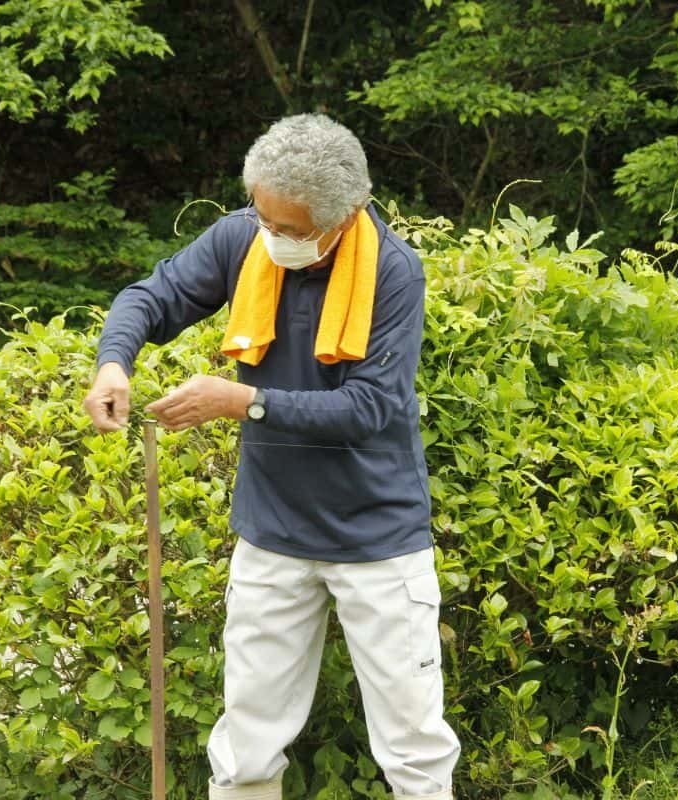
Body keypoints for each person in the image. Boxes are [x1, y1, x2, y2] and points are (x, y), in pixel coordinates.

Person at [82, 114, 460, 800]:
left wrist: (241, 400)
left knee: (414, 753)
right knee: (247, 746)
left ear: (341, 218)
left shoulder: (395, 271)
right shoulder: (243, 237)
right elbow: (152, 296)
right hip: (272, 533)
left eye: (288, 229)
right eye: (263, 219)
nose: (271, 239)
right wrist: (115, 362)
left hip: (378, 539)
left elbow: (369, 409)